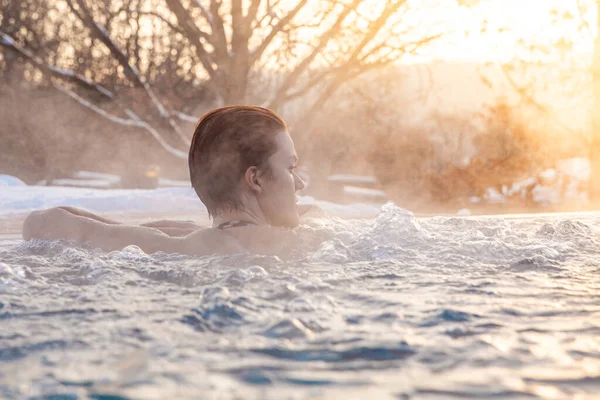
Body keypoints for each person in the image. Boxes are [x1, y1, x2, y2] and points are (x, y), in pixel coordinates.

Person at [22, 106, 320, 257]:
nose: (300, 184)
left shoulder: (191, 244)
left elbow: (40, 223)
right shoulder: (201, 242)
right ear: (254, 179)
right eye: (291, 168)